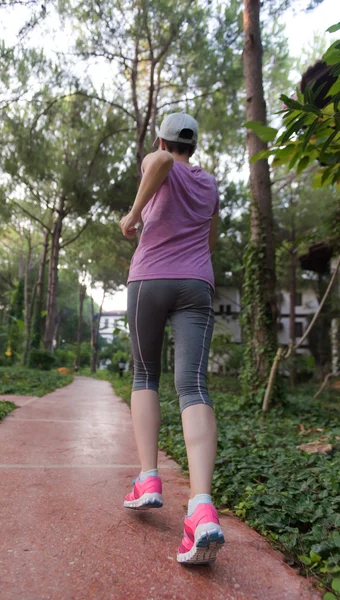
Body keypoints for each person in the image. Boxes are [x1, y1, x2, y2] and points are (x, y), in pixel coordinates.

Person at [119, 113, 224, 565]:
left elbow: (160, 162)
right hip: (196, 284)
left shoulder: (157, 157)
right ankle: (201, 509)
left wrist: (134, 213)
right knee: (194, 387)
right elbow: (212, 238)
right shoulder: (210, 184)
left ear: (163, 138)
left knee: (145, 374)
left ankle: (148, 479)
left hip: (149, 280)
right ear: (196, 145)